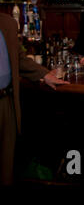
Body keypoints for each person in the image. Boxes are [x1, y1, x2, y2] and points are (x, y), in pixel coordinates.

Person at [0, 13, 68, 185]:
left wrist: (44, 74)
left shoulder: (7, 23)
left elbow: (19, 58)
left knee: (6, 166)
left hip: (6, 101)